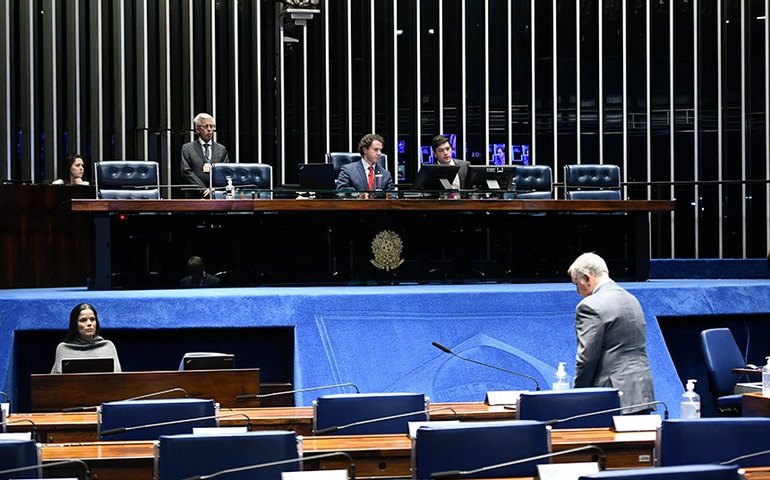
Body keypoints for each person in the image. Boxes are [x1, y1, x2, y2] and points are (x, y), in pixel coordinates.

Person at [567, 252, 655, 413]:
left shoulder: (589, 306)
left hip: (611, 396)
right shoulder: (632, 299)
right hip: (642, 392)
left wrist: (578, 396)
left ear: (587, 278)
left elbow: (586, 359)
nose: (578, 292)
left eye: (576, 284)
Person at [51, 303, 122, 374]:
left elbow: (118, 379)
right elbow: (55, 381)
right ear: (75, 324)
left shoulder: (107, 347)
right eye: (83, 320)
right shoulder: (63, 349)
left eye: (92, 319)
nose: (89, 323)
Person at [180, 113, 230, 198]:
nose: (209, 129)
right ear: (197, 129)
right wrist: (203, 189)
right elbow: (186, 171)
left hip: (216, 195)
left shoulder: (221, 149)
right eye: (206, 126)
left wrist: (213, 189)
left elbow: (225, 172)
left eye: (212, 126)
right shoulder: (187, 148)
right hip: (194, 196)